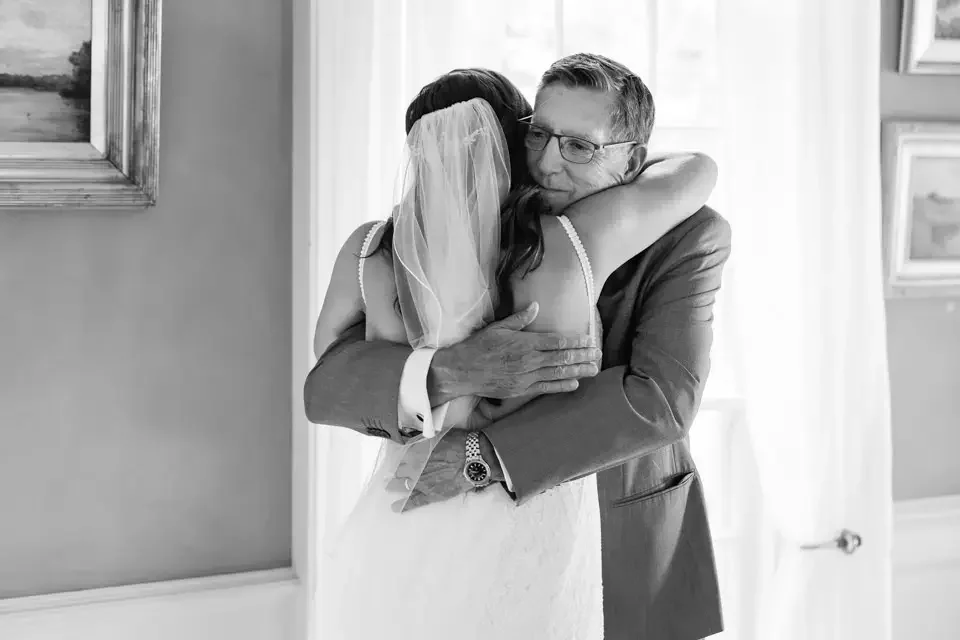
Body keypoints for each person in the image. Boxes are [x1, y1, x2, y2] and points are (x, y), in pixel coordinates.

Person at [307, 55, 731, 640]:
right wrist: (444, 372)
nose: (549, 163)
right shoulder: (458, 229)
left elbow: (661, 398)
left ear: (632, 160)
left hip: (623, 525)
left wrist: (483, 455)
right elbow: (328, 384)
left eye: (580, 147)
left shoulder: (690, 234)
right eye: (538, 135)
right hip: (464, 544)